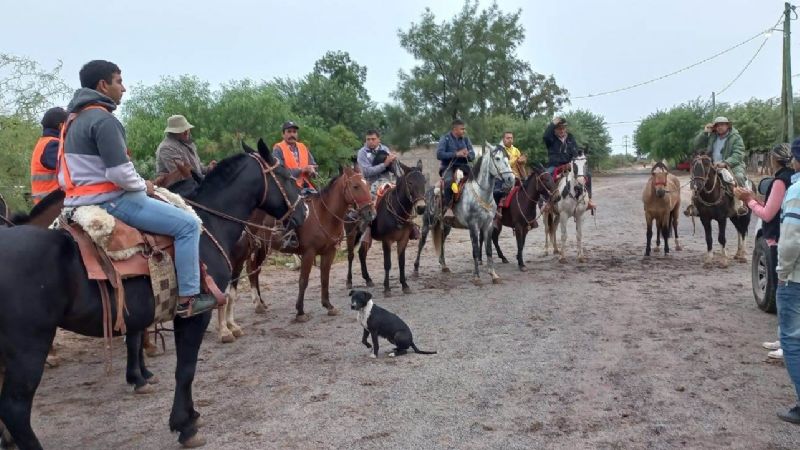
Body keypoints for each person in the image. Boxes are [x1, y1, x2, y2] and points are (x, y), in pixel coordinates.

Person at [58, 60, 216, 318]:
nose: (124, 88)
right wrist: (145, 184)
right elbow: (119, 172)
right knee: (187, 225)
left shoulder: (72, 121)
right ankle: (189, 298)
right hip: (111, 200)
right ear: (103, 85)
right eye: (119, 81)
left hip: (76, 201)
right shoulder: (104, 120)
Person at [735, 144, 794, 360]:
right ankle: (784, 337)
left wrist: (748, 200)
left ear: (773, 160)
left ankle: (787, 342)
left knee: (783, 293)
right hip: (785, 236)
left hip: (779, 239)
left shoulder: (780, 181)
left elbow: (768, 214)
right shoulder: (792, 178)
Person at [774, 138, 800, 424]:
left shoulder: (795, 191)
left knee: (792, 340)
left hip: (795, 278)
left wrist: (781, 272)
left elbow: (792, 240)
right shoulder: (713, 138)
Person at [687, 116, 748, 216]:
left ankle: (739, 205)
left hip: (731, 165)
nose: (720, 127)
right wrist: (705, 132)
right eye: (717, 125)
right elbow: (696, 144)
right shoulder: (712, 135)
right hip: (712, 165)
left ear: (727, 125)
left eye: (722, 124)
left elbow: (739, 153)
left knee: (739, 177)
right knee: (697, 178)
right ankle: (693, 206)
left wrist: (725, 163)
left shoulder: (736, 137)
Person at [273, 121, 317, 248]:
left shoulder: (303, 147)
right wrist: (301, 170)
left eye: (294, 132)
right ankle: (290, 235)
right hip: (287, 185)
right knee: (295, 208)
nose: (292, 134)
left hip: (305, 184)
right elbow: (279, 171)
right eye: (289, 132)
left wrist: (312, 170)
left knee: (322, 201)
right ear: (283, 134)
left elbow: (313, 164)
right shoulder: (278, 149)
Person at [544, 116, 596, 210]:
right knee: (546, 176)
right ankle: (548, 202)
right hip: (555, 166)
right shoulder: (551, 139)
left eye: (563, 128)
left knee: (587, 174)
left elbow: (575, 152)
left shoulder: (570, 137)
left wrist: (573, 161)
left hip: (569, 165)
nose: (562, 130)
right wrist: (553, 123)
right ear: (555, 130)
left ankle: (589, 200)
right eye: (559, 128)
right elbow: (545, 136)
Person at [155, 114, 216, 179]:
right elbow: (182, 176)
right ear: (173, 132)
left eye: (187, 129)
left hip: (194, 183)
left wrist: (209, 169)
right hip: (177, 187)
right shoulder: (166, 148)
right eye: (182, 130)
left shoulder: (188, 143)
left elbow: (198, 169)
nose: (186, 132)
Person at [30, 107, 68, 203]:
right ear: (61, 126)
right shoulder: (53, 145)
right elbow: (70, 169)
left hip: (45, 204)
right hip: (52, 206)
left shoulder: (44, 142)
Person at [437, 119, 475, 211]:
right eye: (462, 129)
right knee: (449, 182)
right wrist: (456, 154)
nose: (464, 131)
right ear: (455, 129)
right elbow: (439, 154)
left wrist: (468, 155)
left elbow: (472, 155)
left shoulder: (466, 139)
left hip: (464, 167)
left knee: (477, 180)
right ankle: (448, 207)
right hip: (448, 167)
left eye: (464, 129)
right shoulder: (445, 138)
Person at [493, 131, 526, 228]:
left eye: (511, 138)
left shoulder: (516, 150)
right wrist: (516, 160)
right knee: (496, 193)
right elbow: (504, 163)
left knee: (529, 191)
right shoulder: (499, 150)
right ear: (503, 139)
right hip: (503, 177)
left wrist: (523, 161)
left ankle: (528, 217)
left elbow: (521, 164)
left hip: (516, 177)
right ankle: (495, 215)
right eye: (507, 138)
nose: (510, 139)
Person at [356, 129, 402, 196]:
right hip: (370, 186)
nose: (370, 141)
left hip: (386, 183)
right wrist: (384, 164)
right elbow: (366, 171)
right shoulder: (362, 153)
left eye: (373, 139)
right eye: (368, 139)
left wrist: (393, 161)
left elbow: (393, 169)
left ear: (378, 139)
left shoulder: (385, 149)